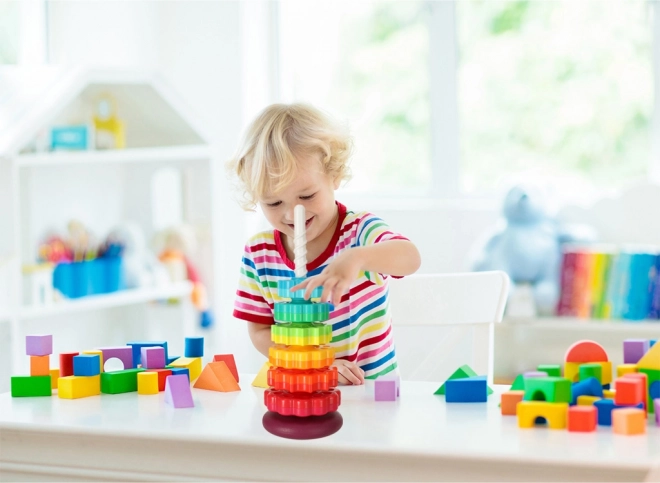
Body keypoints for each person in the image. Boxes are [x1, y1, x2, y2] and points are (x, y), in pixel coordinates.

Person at [227, 103, 421, 385]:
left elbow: (410, 258)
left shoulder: (359, 232)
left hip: (370, 395)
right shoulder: (259, 253)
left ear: (335, 175)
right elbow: (259, 330)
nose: (294, 213)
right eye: (274, 202)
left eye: (306, 196)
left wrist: (357, 259)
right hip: (303, 389)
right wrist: (318, 363)